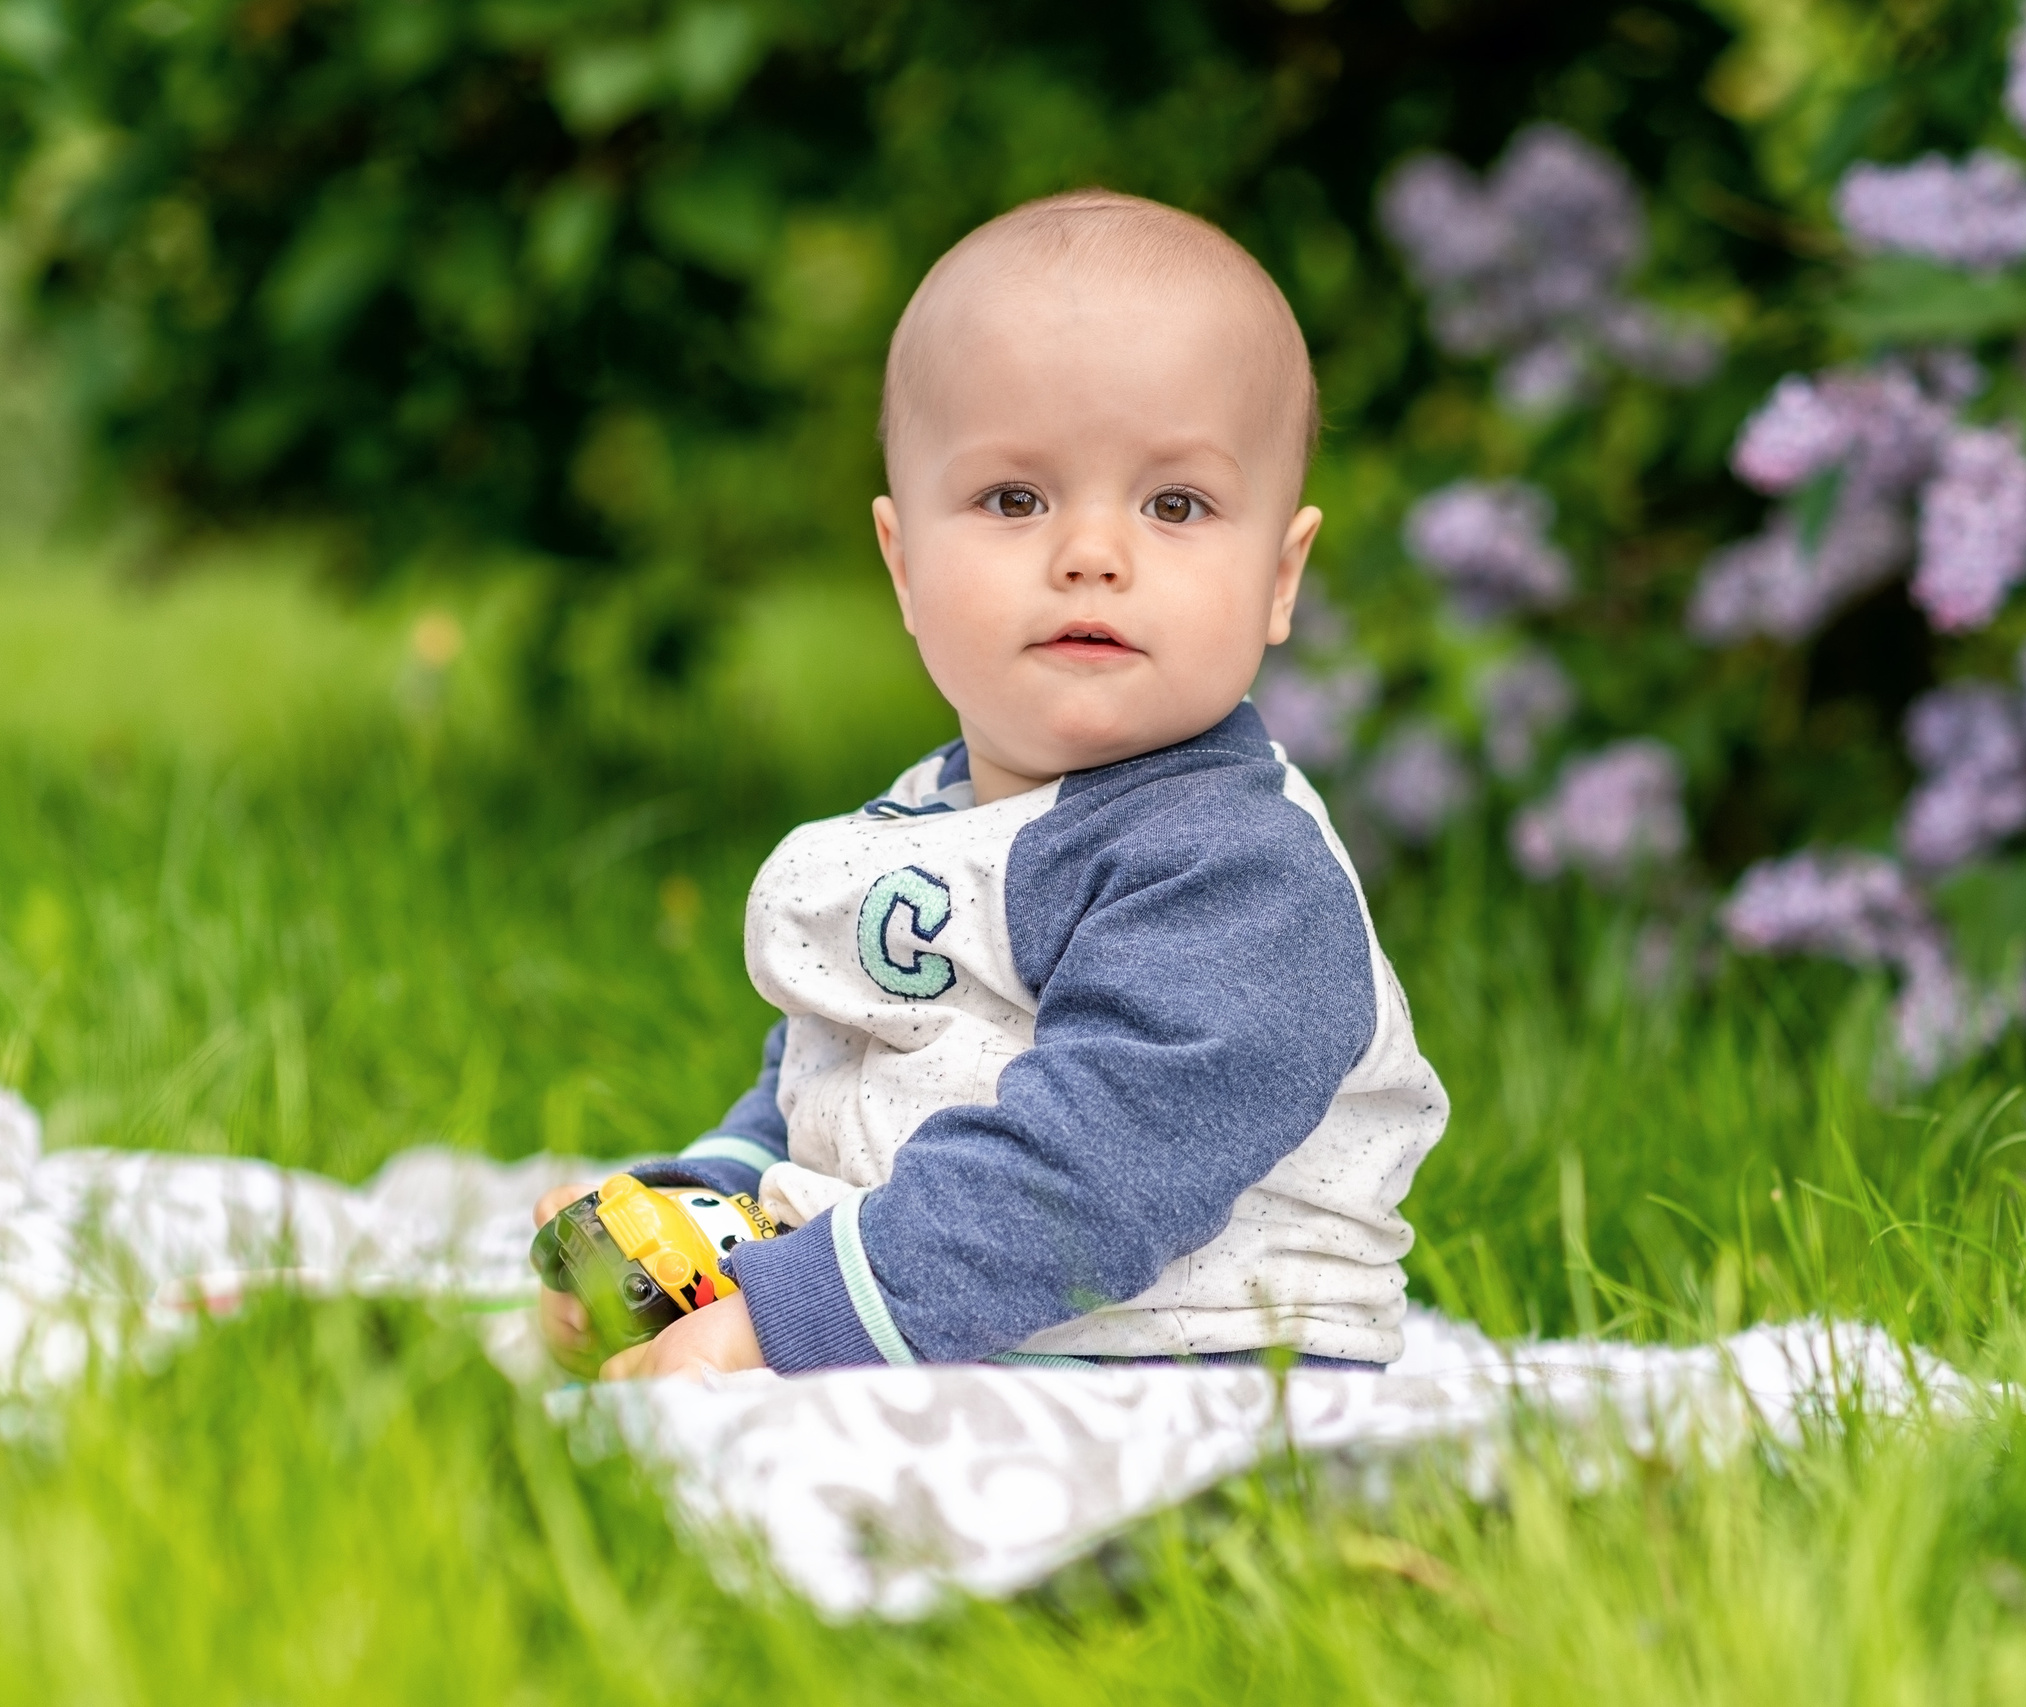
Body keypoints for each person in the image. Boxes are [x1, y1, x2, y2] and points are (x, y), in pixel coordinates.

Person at [533, 190, 1448, 1381]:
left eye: (1175, 504)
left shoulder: (1235, 875)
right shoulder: (934, 810)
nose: (1090, 552)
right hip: (948, 1324)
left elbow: (1097, 1172)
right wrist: (710, 1208)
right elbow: (846, 1067)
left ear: (1279, 578)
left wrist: (777, 1323)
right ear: (904, 565)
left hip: (1184, 1369)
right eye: (1014, 499)